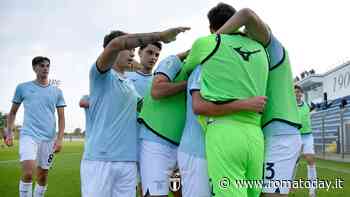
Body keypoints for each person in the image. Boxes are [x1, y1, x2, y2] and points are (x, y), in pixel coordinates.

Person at [81, 27, 189, 197]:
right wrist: (160, 36)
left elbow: (147, 108)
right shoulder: (101, 75)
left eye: (132, 49)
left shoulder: (129, 84)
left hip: (128, 161)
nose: (131, 52)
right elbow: (117, 43)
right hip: (101, 159)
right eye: (128, 48)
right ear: (111, 50)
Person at [182, 3, 269, 197]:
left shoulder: (207, 42)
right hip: (255, 136)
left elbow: (187, 67)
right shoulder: (261, 49)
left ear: (212, 28)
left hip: (224, 132)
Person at [217, 7, 303, 197]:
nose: (246, 38)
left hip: (281, 134)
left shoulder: (274, 48)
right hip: (266, 135)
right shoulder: (256, 60)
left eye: (248, 33)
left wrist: (215, 40)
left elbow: (246, 14)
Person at [178, 63, 267, 197]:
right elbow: (198, 106)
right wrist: (246, 104)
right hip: (197, 151)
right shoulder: (205, 67)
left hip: (223, 147)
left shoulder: (234, 71)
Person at [4, 56, 66, 197]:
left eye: (47, 66)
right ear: (34, 68)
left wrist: (60, 139)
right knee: (27, 173)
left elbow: (62, 118)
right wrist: (9, 132)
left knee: (42, 177)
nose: (45, 68)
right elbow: (13, 113)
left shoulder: (57, 91)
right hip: (29, 135)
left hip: (48, 138)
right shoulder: (22, 88)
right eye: (41, 65)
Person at [295, 85, 316, 197]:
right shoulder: (290, 107)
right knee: (293, 163)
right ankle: (288, 187)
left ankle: (312, 191)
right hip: (296, 136)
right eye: (294, 92)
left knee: (310, 159)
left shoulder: (307, 105)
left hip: (308, 136)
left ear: (301, 93)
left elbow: (312, 109)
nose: (297, 94)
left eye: (298, 92)